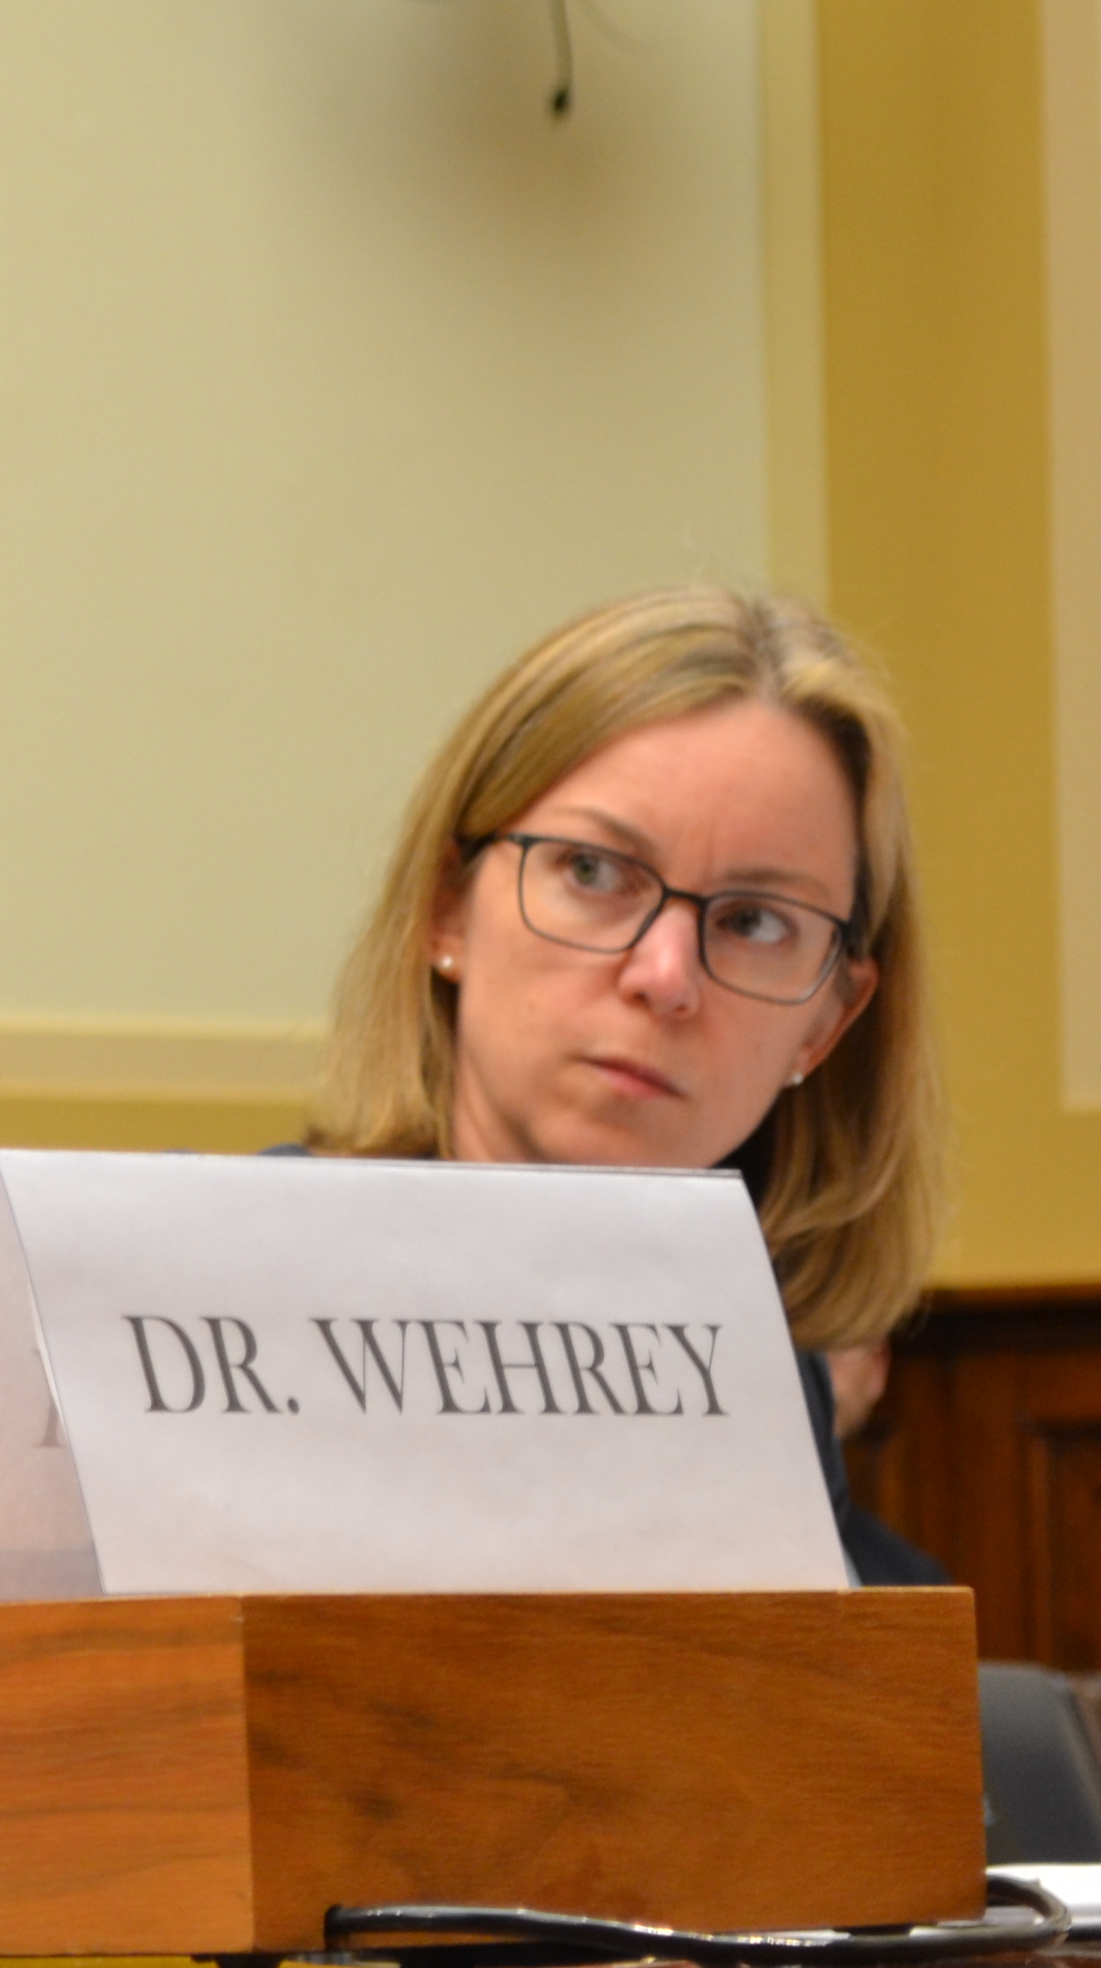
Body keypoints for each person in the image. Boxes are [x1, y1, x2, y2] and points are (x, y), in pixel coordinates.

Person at [310, 584, 943, 1582]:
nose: (665, 977)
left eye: (753, 922)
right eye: (596, 874)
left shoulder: (762, 1376)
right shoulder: (200, 1287)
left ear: (825, 1021)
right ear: (447, 909)